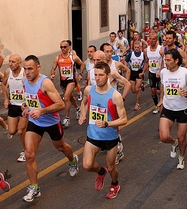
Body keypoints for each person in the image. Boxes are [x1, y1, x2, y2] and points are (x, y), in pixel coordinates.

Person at [22, 55, 79, 202]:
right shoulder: (25, 81)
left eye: (30, 69)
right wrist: (25, 107)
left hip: (51, 121)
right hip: (34, 122)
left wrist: (41, 111)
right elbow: (30, 99)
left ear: (38, 67)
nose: (27, 72)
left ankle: (73, 160)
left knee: (61, 147)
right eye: (25, 69)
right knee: (29, 154)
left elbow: (60, 104)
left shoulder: (45, 83)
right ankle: (34, 188)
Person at [78, 62, 127, 199]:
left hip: (110, 137)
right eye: (95, 75)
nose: (97, 78)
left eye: (101, 75)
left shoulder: (115, 95)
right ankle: (100, 172)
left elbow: (124, 119)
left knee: (111, 167)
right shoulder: (89, 90)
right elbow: (84, 102)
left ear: (108, 76)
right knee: (87, 165)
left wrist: (107, 123)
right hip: (93, 135)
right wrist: (83, 115)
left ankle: (115, 184)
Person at [87, 50, 131, 165]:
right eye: (94, 60)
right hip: (98, 104)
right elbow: (89, 88)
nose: (95, 62)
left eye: (98, 60)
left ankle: (118, 148)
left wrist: (123, 98)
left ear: (104, 59)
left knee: (113, 128)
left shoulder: (112, 72)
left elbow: (127, 84)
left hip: (112, 102)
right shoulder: (93, 71)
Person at [157, 49, 187, 170]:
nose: (166, 62)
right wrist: (161, 99)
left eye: (168, 60)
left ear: (176, 60)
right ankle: (173, 143)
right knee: (164, 137)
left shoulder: (186, 73)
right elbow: (163, 86)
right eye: (165, 60)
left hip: (183, 109)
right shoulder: (164, 72)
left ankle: (181, 156)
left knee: (182, 138)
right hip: (168, 108)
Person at [50, 40, 84, 127]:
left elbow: (82, 64)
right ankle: (78, 109)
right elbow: (53, 68)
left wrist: (80, 74)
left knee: (65, 98)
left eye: (65, 47)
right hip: (63, 82)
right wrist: (52, 74)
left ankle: (67, 118)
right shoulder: (57, 58)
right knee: (70, 97)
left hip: (71, 81)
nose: (63, 49)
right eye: (61, 47)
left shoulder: (73, 57)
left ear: (69, 47)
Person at [2, 54, 28, 162]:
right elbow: (3, 85)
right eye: (10, 61)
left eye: (13, 62)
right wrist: (6, 99)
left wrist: (27, 104)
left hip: (23, 107)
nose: (11, 64)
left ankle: (26, 151)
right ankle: (29, 133)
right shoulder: (8, 72)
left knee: (20, 131)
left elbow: (31, 88)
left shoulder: (25, 73)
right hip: (13, 105)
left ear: (19, 63)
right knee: (12, 131)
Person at [125, 41, 148, 111]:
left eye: (138, 47)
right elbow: (126, 61)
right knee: (133, 90)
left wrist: (143, 71)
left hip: (139, 72)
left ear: (140, 47)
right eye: (135, 47)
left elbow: (146, 63)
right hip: (132, 72)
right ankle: (142, 84)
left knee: (137, 89)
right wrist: (126, 69)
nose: (136, 49)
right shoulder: (130, 54)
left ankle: (137, 104)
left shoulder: (143, 55)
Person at [145, 32, 164, 114]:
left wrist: (160, 71)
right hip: (152, 72)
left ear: (156, 40)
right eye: (150, 39)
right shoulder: (146, 50)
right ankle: (156, 105)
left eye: (153, 39)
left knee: (159, 91)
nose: (152, 40)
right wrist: (143, 72)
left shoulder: (160, 49)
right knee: (153, 90)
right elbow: (146, 61)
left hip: (160, 73)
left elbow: (164, 61)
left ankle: (163, 104)